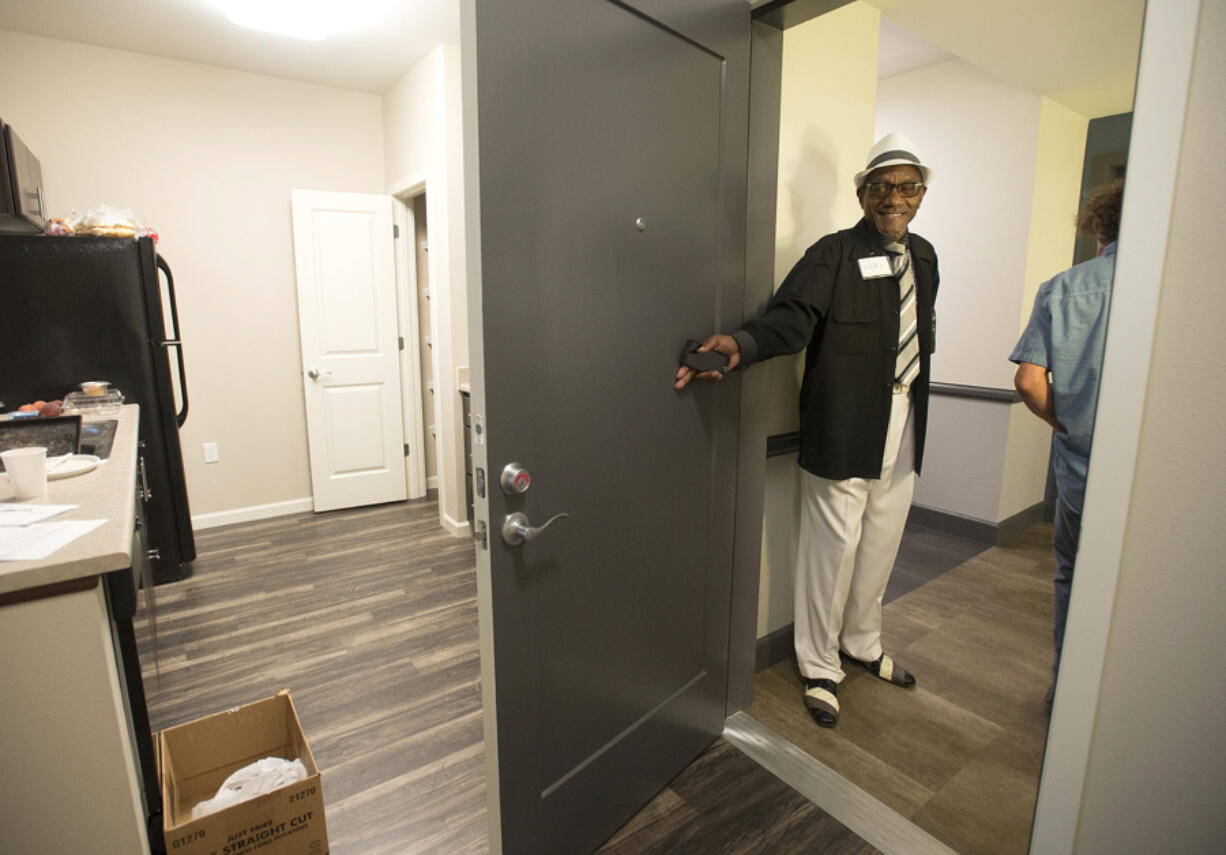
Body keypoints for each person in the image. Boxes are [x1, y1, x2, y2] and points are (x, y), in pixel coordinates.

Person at [675, 133, 939, 728]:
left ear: (921, 194)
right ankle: (819, 664)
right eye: (881, 187)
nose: (893, 199)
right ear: (862, 193)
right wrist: (740, 346)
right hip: (844, 422)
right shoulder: (834, 254)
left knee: (882, 541)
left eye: (906, 187)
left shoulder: (924, 257)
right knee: (833, 549)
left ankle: (862, 642)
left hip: (904, 419)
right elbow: (790, 320)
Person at [1009, 178, 1124, 707]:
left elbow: (1030, 382)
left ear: (1101, 225)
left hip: (1082, 468)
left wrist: (1068, 421)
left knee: (1074, 576)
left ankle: (1068, 692)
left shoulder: (1066, 287)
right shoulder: (1186, 289)